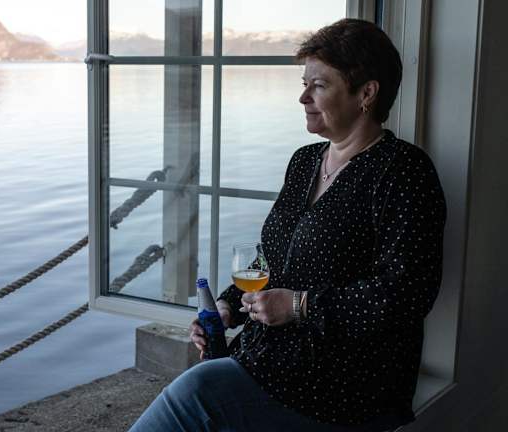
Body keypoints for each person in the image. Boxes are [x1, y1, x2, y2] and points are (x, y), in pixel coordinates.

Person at [129, 18, 446, 432]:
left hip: (346, 385)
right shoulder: (304, 162)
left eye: (319, 85)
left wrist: (299, 305)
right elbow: (275, 260)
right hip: (269, 360)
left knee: (195, 393)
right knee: (202, 387)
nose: (303, 97)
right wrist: (228, 307)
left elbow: (406, 295)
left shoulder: (403, 171)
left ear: (366, 93)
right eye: (304, 83)